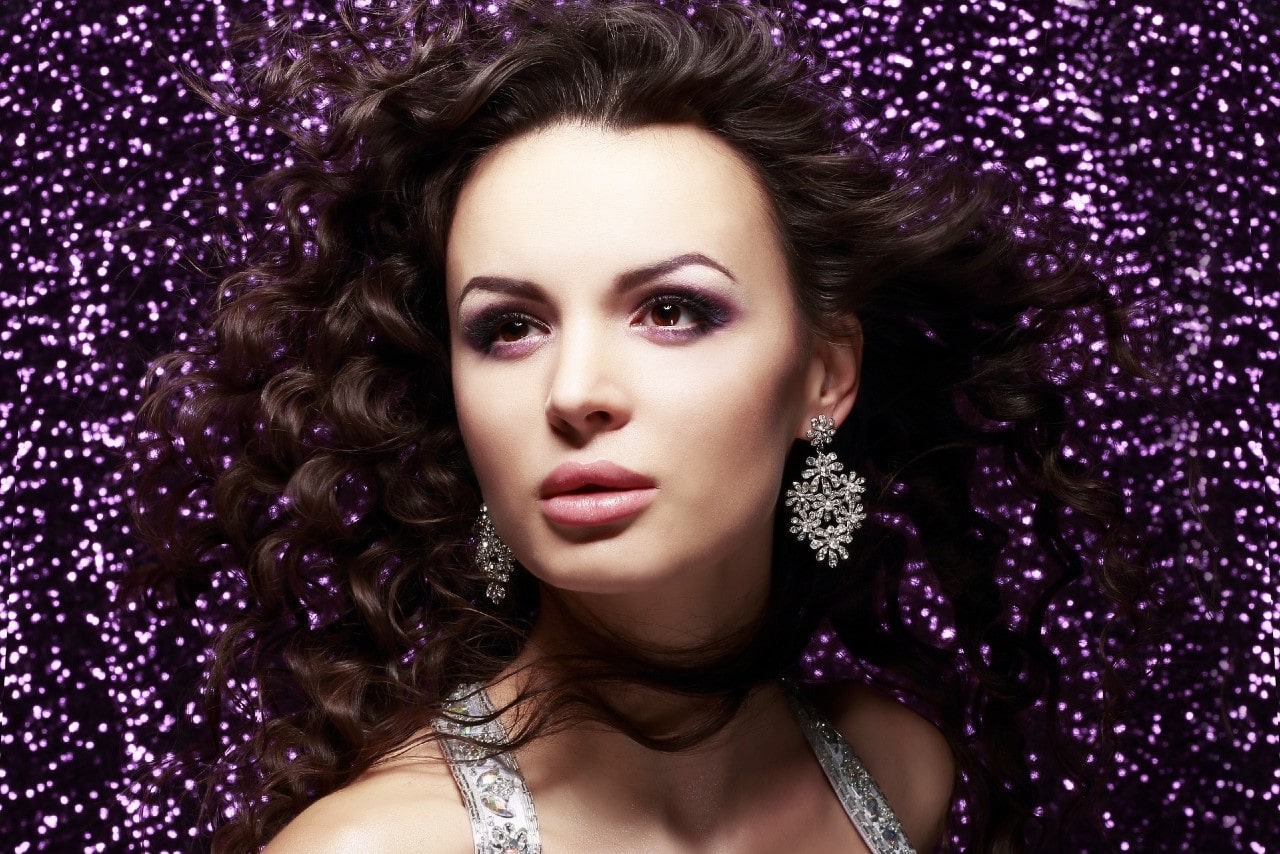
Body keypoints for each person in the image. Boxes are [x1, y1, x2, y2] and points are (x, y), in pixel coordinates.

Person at [126, 0, 1151, 851]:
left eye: (671, 309)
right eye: (509, 327)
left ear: (822, 376)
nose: (575, 391)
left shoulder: (896, 775)